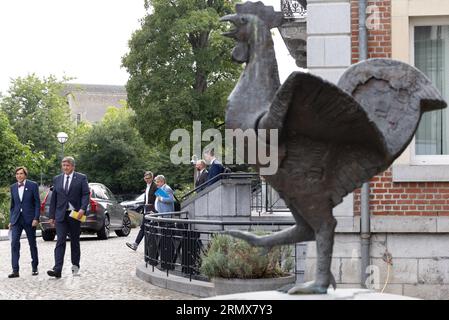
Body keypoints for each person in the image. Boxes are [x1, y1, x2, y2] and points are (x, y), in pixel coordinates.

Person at [47, 156, 90, 278]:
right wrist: (51, 215)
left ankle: (75, 267)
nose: (65, 167)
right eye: (63, 165)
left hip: (75, 215)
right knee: (60, 241)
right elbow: (54, 198)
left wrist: (82, 208)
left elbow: (85, 194)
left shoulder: (81, 178)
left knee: (75, 242)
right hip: (61, 215)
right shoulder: (57, 179)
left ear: (73, 166)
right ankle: (57, 270)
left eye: (68, 165)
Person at [8, 166, 41, 278]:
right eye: (17, 174)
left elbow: (37, 203)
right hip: (17, 220)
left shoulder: (33, 185)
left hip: (30, 219)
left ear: (25, 175)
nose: (19, 176)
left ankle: (35, 267)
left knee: (32, 244)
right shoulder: (13, 187)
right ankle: (15, 270)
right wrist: (11, 220)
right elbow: (12, 206)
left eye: (21, 173)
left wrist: (36, 218)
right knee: (14, 244)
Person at [126, 171, 157, 251]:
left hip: (152, 212)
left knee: (151, 229)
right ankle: (136, 245)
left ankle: (152, 248)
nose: (146, 180)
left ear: (152, 178)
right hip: (146, 210)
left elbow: (162, 198)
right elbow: (146, 199)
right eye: (145, 178)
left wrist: (155, 210)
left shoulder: (155, 186)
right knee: (143, 228)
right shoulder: (147, 186)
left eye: (148, 178)